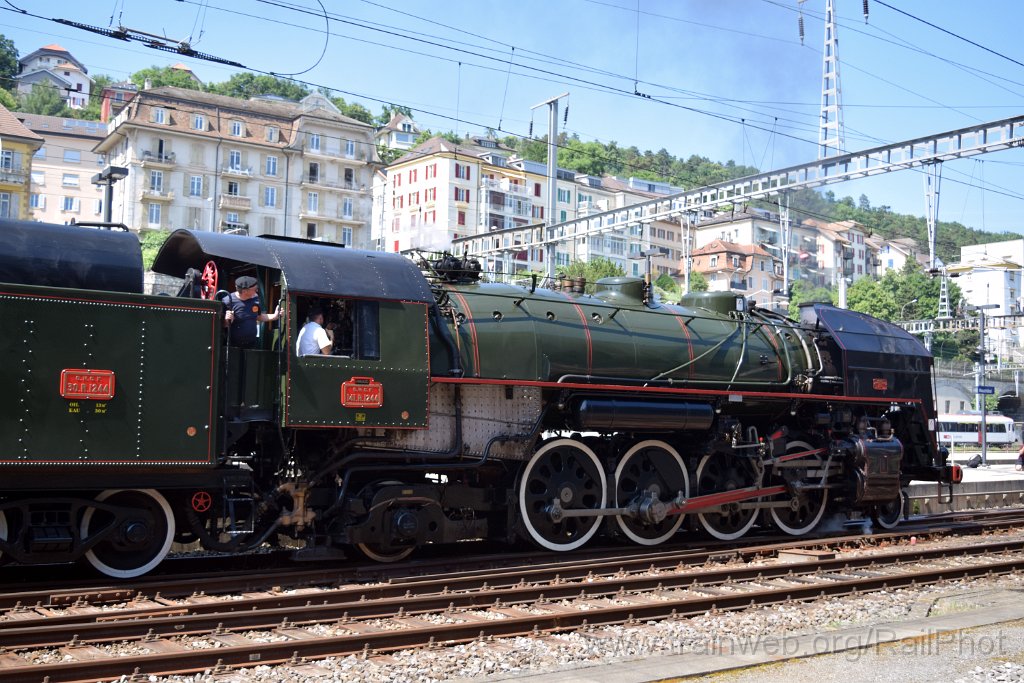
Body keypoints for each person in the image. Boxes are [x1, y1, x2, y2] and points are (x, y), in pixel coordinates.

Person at [224, 275, 280, 348]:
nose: (257, 291)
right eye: (255, 289)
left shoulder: (255, 298)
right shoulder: (227, 301)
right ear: (244, 291)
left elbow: (258, 317)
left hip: (251, 344)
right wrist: (226, 321)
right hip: (233, 346)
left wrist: (275, 316)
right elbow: (220, 326)